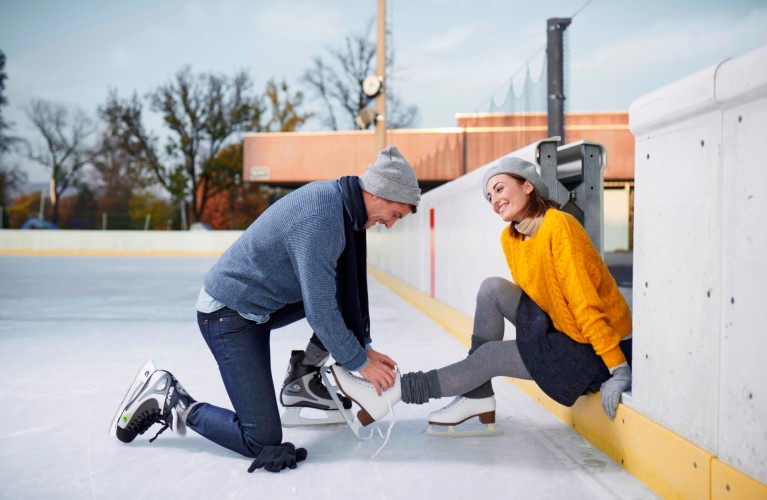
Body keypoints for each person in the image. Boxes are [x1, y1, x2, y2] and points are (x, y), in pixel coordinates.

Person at [110, 146, 421, 472]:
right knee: (261, 440)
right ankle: (169, 400)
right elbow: (320, 311)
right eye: (395, 215)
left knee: (338, 290)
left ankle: (303, 376)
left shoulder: (342, 206)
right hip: (227, 313)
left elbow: (347, 293)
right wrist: (360, 361)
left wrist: (364, 348)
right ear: (379, 193)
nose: (389, 225)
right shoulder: (322, 217)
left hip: (258, 307)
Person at [331, 156, 633, 433]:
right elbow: (542, 298)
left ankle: (397, 391)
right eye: (490, 197)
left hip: (594, 348)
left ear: (527, 186)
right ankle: (478, 394)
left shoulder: (560, 226)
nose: (495, 201)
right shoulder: (512, 237)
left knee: (489, 356)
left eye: (500, 189)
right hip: (564, 327)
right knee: (492, 288)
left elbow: (584, 303)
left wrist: (617, 367)